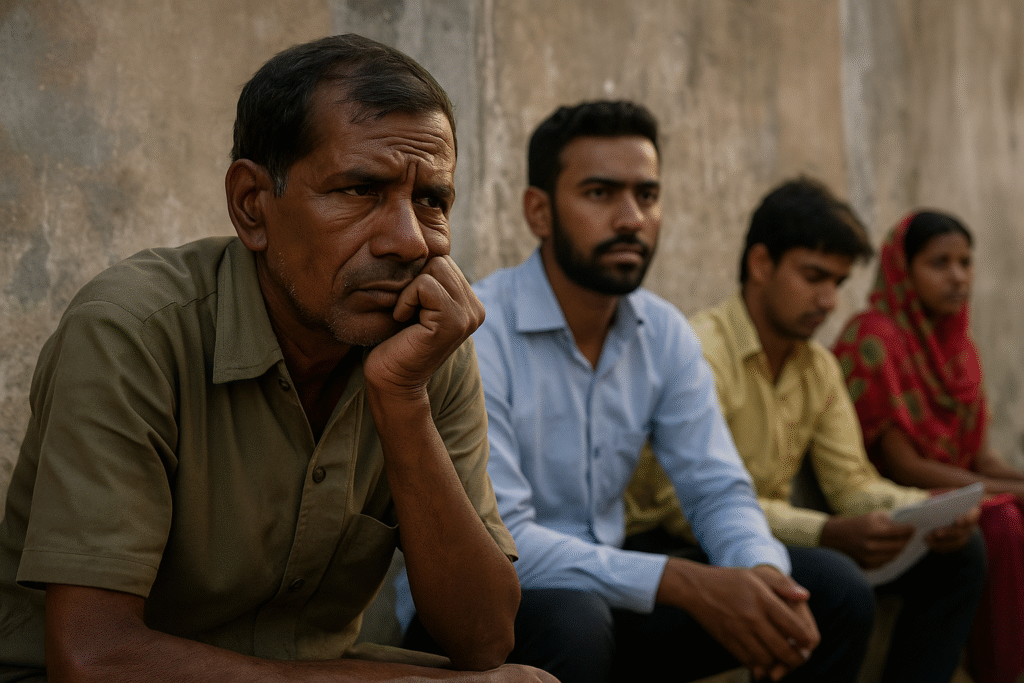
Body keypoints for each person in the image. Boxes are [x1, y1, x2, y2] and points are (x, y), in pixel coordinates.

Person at [0, 34, 555, 683]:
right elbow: (94, 658)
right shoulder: (133, 331)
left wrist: (402, 404)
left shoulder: (426, 349)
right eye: (360, 190)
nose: (409, 240)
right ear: (251, 206)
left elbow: (484, 637)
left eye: (432, 199)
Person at [400, 101, 874, 683]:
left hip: (611, 595)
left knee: (828, 592)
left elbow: (717, 491)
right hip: (481, 612)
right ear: (539, 212)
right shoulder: (481, 328)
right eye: (600, 194)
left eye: (647, 196)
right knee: (577, 620)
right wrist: (683, 582)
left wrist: (763, 575)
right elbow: (508, 542)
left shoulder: (662, 332)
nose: (631, 219)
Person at [626, 178, 988, 683]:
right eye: (814, 276)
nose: (828, 300)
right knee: (836, 587)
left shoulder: (817, 366)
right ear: (760, 264)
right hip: (672, 545)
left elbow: (851, 484)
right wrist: (826, 532)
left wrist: (919, 510)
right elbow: (683, 507)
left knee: (960, 554)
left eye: (837, 283)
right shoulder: (699, 350)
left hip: (765, 540)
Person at [833, 210, 1024, 683]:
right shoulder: (874, 337)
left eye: (965, 262)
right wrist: (998, 492)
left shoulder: (959, 348)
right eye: (940, 263)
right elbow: (904, 465)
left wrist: (1014, 483)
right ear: (903, 268)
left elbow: (981, 457)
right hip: (895, 502)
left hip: (955, 490)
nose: (957, 277)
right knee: (1000, 521)